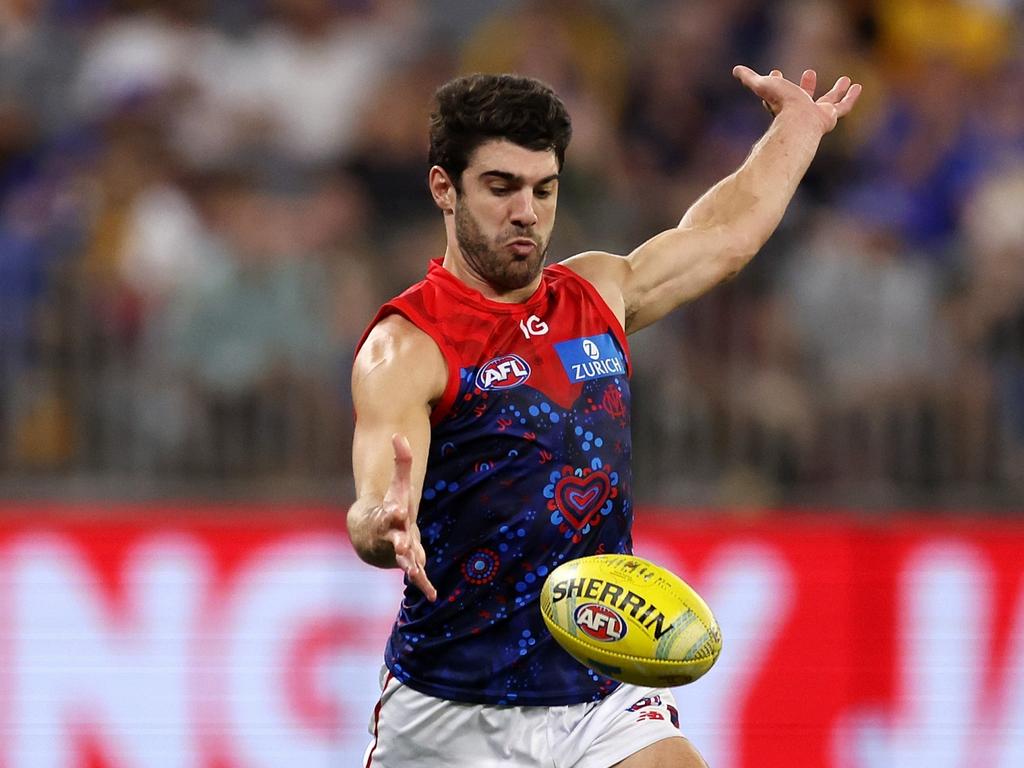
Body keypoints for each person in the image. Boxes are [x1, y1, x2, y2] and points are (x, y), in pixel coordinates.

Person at [347, 67, 860, 767]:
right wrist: (384, 528)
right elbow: (375, 502)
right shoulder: (406, 345)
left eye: (544, 188)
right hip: (449, 710)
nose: (526, 210)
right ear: (445, 188)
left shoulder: (597, 293)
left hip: (599, 696)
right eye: (500, 187)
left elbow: (723, 236)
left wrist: (799, 128)